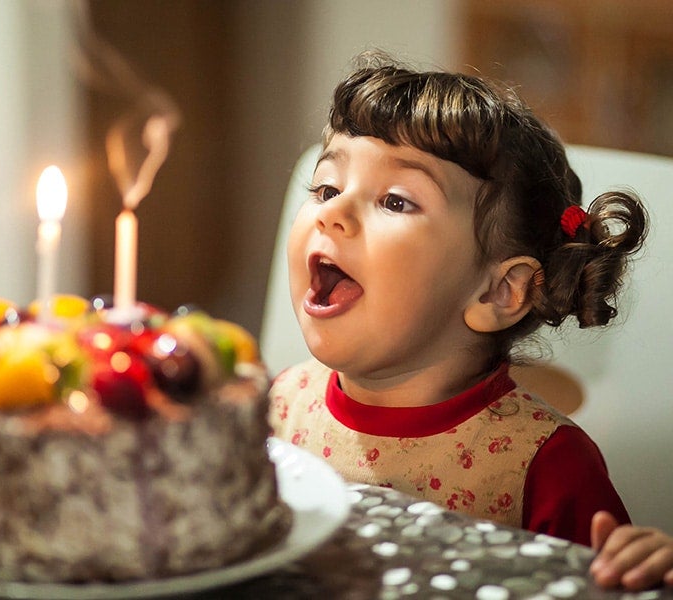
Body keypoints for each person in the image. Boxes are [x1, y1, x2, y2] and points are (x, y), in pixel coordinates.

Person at [268, 51, 673, 591]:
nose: (331, 213)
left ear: (499, 291)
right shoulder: (275, 408)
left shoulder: (546, 469)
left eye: (394, 200)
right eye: (326, 188)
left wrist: (643, 571)